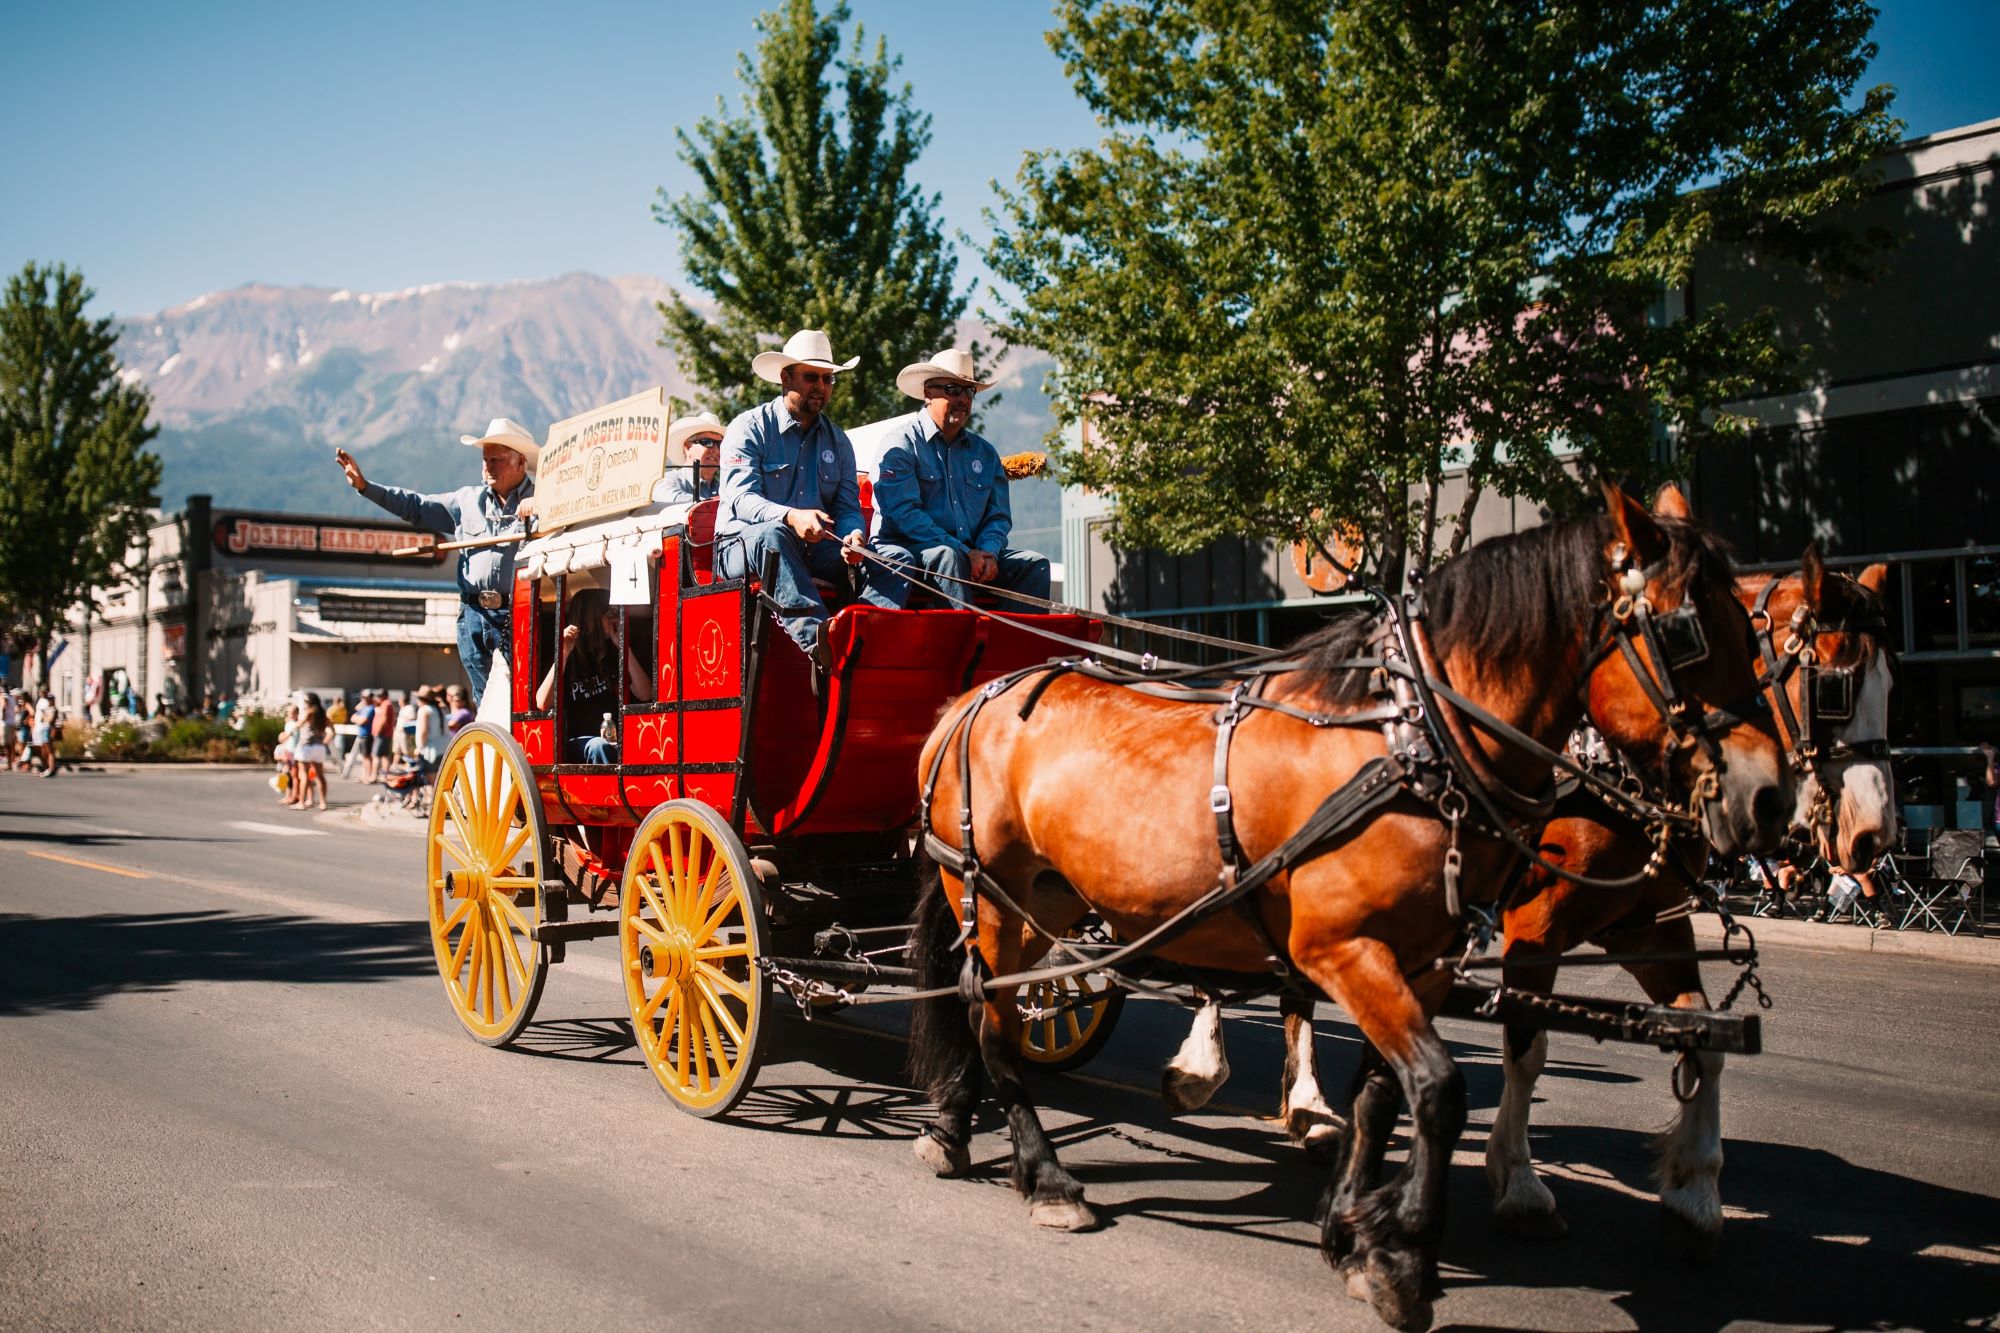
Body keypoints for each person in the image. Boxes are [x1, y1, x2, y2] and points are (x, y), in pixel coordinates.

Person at [715, 329, 898, 671]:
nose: (821, 386)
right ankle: (820, 642)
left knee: (885, 556)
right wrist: (790, 517)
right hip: (739, 545)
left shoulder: (838, 440)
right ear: (785, 378)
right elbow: (741, 498)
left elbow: (846, 508)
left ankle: (872, 636)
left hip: (813, 547)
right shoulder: (749, 427)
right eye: (811, 377)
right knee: (773, 535)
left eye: (828, 379)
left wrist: (854, 536)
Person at [334, 417, 538, 705]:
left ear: (520, 462)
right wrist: (366, 487)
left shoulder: (544, 499)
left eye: (497, 459)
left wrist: (541, 506)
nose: (488, 466)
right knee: (486, 700)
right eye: (485, 459)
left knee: (521, 697)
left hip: (521, 613)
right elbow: (415, 507)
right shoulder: (465, 501)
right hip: (473, 615)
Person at [871, 348, 1053, 609]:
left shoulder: (985, 454)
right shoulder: (901, 444)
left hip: (968, 553)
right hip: (908, 551)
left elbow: (998, 517)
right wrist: (966, 553)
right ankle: (965, 643)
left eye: (969, 392)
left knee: (1033, 565)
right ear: (927, 394)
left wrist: (988, 553)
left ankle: (1017, 648)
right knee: (949, 557)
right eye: (952, 390)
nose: (963, 399)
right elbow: (903, 515)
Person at [534, 587, 653, 763]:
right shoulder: (568, 656)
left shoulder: (613, 654)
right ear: (590, 619)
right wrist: (563, 654)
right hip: (580, 743)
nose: (615, 618)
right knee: (599, 746)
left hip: (615, 740)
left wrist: (623, 646)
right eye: (609, 612)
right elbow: (542, 703)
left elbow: (645, 694)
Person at [660, 412, 727, 504]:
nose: (715, 449)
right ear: (688, 448)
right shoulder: (669, 481)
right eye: (707, 442)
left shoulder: (725, 487)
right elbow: (667, 497)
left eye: (720, 444)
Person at [292, 694, 331, 812]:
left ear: (308, 702)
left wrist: (289, 732)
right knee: (320, 776)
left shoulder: (309, 712)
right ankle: (323, 802)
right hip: (319, 747)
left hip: (306, 746)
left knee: (303, 774)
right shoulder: (323, 714)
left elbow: (298, 725)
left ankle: (302, 803)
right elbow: (332, 730)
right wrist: (325, 741)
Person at [369, 689, 400, 783]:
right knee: (384, 755)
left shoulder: (386, 704)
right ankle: (384, 776)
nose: (377, 698)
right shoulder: (383, 704)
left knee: (376, 755)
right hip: (384, 734)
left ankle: (375, 776)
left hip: (382, 734)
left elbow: (384, 720)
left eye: (379, 696)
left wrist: (377, 731)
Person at [30, 688, 59, 778]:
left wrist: (45, 715)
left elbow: (50, 720)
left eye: (51, 699)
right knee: (44, 750)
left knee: (49, 751)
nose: (50, 701)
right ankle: (48, 768)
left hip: (48, 730)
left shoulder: (54, 709)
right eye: (49, 699)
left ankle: (51, 769)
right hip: (43, 729)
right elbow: (43, 719)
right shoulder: (48, 708)